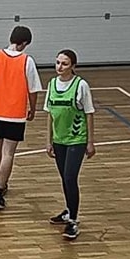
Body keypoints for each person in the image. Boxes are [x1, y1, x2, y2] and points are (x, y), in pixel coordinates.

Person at [0, 25, 44, 211]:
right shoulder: (27, 61)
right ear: (24, 43)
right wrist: (32, 109)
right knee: (8, 153)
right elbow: (33, 90)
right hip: (16, 114)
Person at [43, 49, 95, 240]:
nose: (60, 67)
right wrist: (48, 140)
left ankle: (73, 220)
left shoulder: (81, 85)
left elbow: (89, 113)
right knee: (64, 179)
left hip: (76, 140)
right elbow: (50, 114)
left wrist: (90, 142)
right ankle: (68, 210)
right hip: (59, 140)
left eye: (64, 64)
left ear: (73, 66)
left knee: (70, 177)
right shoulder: (52, 84)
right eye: (57, 62)